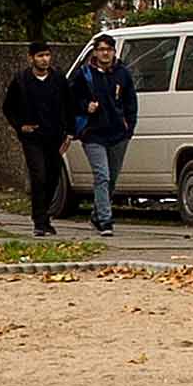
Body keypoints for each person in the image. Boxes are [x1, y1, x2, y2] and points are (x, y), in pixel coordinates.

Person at [69, 33, 141, 235]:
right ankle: (106, 220)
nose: (105, 53)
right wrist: (85, 107)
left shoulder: (122, 74)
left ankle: (97, 213)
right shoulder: (84, 74)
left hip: (118, 133)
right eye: (101, 50)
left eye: (108, 50)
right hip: (93, 134)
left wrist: (129, 128)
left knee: (112, 178)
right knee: (102, 175)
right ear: (95, 52)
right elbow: (71, 99)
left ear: (114, 52)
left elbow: (130, 102)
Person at [1, 45, 75, 234]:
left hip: (55, 136)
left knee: (52, 176)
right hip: (33, 137)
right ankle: (39, 220)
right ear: (31, 58)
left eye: (47, 55)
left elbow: (69, 104)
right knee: (39, 175)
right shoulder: (22, 80)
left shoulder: (58, 79)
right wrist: (20, 126)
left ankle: (45, 215)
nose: (44, 59)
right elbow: (8, 107)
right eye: (40, 56)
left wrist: (70, 132)